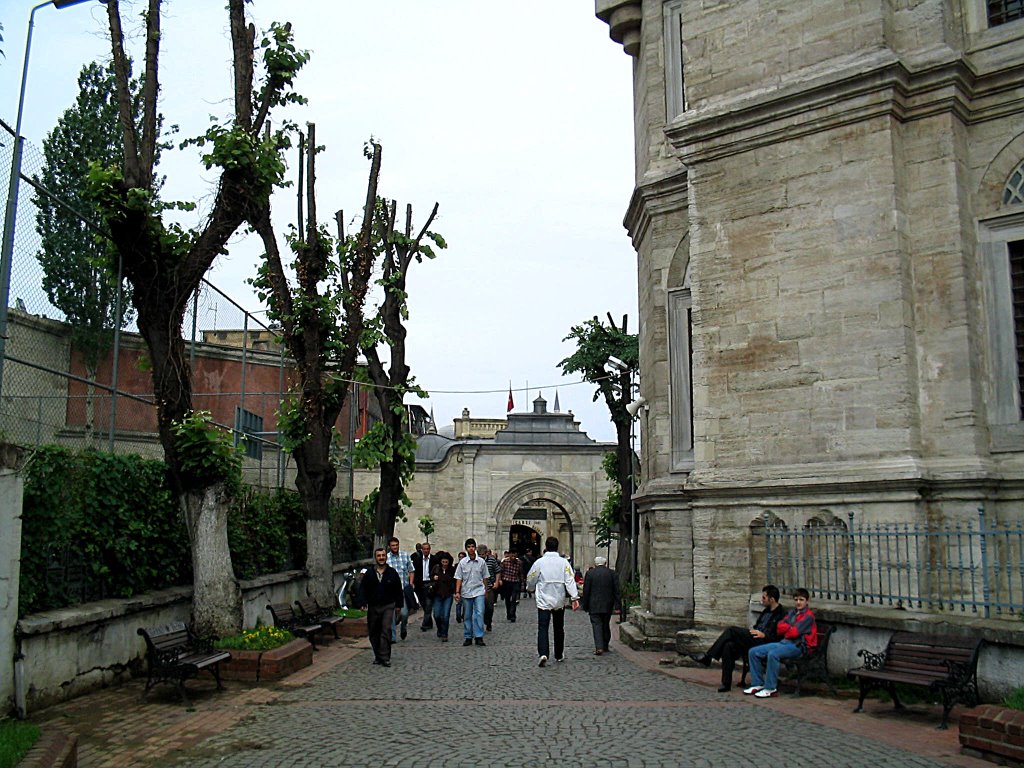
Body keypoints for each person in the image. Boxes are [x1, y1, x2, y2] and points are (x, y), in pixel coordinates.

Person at [688, 584, 786, 692]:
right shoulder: (766, 611)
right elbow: (757, 625)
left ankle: (709, 656)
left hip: (765, 641)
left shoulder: (781, 614)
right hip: (754, 637)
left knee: (731, 630)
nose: (762, 600)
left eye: (764, 597)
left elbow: (778, 635)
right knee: (728, 646)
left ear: (772, 599)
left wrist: (764, 635)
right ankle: (726, 683)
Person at [745, 588, 818, 698]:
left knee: (773, 654)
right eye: (796, 599)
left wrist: (788, 629)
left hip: (799, 646)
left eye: (801, 600)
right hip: (785, 642)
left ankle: (770, 688)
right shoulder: (792, 613)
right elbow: (779, 627)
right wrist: (789, 628)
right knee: (753, 652)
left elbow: (794, 633)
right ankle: (757, 683)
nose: (798, 602)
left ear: (806, 601)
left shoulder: (808, 616)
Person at [527, 536, 579, 666]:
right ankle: (559, 653)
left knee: (543, 627)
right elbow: (569, 580)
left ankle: (543, 653)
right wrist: (574, 597)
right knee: (558, 627)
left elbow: (531, 577)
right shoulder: (564, 563)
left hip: (544, 598)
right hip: (558, 599)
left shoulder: (539, 562)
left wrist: (530, 588)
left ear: (546, 546)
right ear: (557, 546)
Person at [356, 547, 404, 667]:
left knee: (386, 630)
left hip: (388, 605)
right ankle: (377, 655)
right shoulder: (370, 574)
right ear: (375, 557)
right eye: (379, 556)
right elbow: (363, 589)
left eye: (383, 555)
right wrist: (362, 603)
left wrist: (399, 605)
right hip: (373, 606)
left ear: (386, 557)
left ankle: (385, 656)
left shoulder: (392, 573)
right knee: (374, 632)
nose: (381, 558)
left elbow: (398, 590)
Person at [581, 555, 620, 656]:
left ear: (595, 564)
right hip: (608, 604)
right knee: (605, 624)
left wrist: (585, 605)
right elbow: (616, 590)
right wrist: (617, 605)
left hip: (593, 604)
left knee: (596, 625)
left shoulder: (590, 574)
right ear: (605, 563)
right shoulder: (611, 573)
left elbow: (586, 591)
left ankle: (599, 647)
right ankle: (605, 645)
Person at [454, 538, 490, 646]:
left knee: (479, 613)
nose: (471, 549)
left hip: (479, 590)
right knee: (467, 615)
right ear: (466, 549)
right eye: (469, 547)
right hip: (466, 591)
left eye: (472, 547)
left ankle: (479, 636)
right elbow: (459, 578)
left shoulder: (481, 562)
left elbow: (485, 577)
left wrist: (486, 590)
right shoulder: (462, 563)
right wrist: (457, 592)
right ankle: (468, 636)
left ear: (475, 548)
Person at [386, 536, 414, 642]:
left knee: (404, 613)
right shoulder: (387, 558)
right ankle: (393, 637)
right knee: (391, 615)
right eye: (393, 545)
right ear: (389, 547)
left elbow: (411, 570)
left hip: (402, 590)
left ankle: (403, 627)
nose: (395, 547)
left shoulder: (405, 555)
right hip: (390, 591)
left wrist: (411, 583)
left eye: (396, 545)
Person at [429, 551, 456, 641]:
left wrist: (456, 592)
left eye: (446, 562)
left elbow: (456, 581)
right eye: (443, 562)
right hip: (437, 594)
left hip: (448, 595)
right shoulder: (436, 568)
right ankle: (440, 628)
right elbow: (431, 577)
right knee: (436, 615)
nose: (444, 564)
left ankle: (445, 633)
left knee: (445, 615)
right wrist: (434, 578)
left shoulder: (452, 570)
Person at [411, 541, 436, 632]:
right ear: (421, 550)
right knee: (424, 605)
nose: (426, 551)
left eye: (427, 549)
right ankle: (429, 622)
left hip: (430, 584)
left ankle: (425, 623)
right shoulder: (417, 559)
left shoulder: (434, 559)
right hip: (419, 585)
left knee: (429, 604)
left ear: (430, 549)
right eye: (424, 549)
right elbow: (413, 571)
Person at [498, 550, 523, 622]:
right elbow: (500, 571)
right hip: (506, 582)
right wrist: (500, 580)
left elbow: (521, 573)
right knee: (507, 599)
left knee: (514, 598)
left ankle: (513, 614)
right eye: (512, 556)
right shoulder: (505, 562)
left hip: (515, 582)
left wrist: (522, 584)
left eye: (515, 556)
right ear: (509, 555)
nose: (513, 558)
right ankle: (508, 613)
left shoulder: (519, 563)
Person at [480, 545, 500, 632]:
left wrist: (496, 582)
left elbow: (497, 571)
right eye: (480, 555)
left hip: (490, 586)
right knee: (480, 607)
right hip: (478, 587)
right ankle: (482, 622)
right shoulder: (476, 561)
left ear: (486, 553)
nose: (481, 556)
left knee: (490, 606)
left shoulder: (492, 560)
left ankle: (488, 622)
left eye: (483, 554)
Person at [454, 551, 467, 623]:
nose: (461, 558)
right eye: (460, 557)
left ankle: (464, 615)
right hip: (458, 586)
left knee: (465, 603)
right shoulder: (456, 566)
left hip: (465, 587)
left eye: (462, 557)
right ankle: (458, 616)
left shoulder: (467, 565)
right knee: (458, 603)